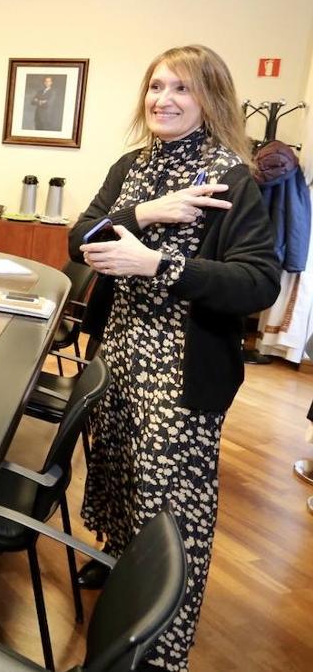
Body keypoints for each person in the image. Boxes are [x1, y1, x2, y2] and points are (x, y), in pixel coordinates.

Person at [70, 45, 280, 671]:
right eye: (156, 86)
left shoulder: (231, 175)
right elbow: (79, 238)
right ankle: (118, 569)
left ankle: (159, 645)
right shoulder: (130, 165)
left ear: (209, 99)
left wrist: (159, 262)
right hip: (121, 347)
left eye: (181, 89)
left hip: (181, 365)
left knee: (170, 500)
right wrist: (142, 213)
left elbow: (258, 282)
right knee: (119, 472)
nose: (163, 99)